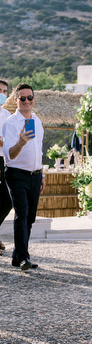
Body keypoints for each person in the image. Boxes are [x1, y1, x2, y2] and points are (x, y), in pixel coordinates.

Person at [3, 84, 45, 271]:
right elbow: (10, 154)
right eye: (22, 98)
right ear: (16, 100)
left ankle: (17, 256)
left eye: (29, 98)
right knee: (22, 214)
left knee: (30, 218)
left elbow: (39, 150)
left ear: (34, 99)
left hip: (35, 176)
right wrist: (20, 142)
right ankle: (24, 257)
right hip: (16, 175)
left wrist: (42, 173)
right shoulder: (10, 123)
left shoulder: (37, 121)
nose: (26, 101)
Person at [0, 79, 12, 253]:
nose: (1, 94)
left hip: (4, 160)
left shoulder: (6, 115)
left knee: (8, 200)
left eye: (4, 91)